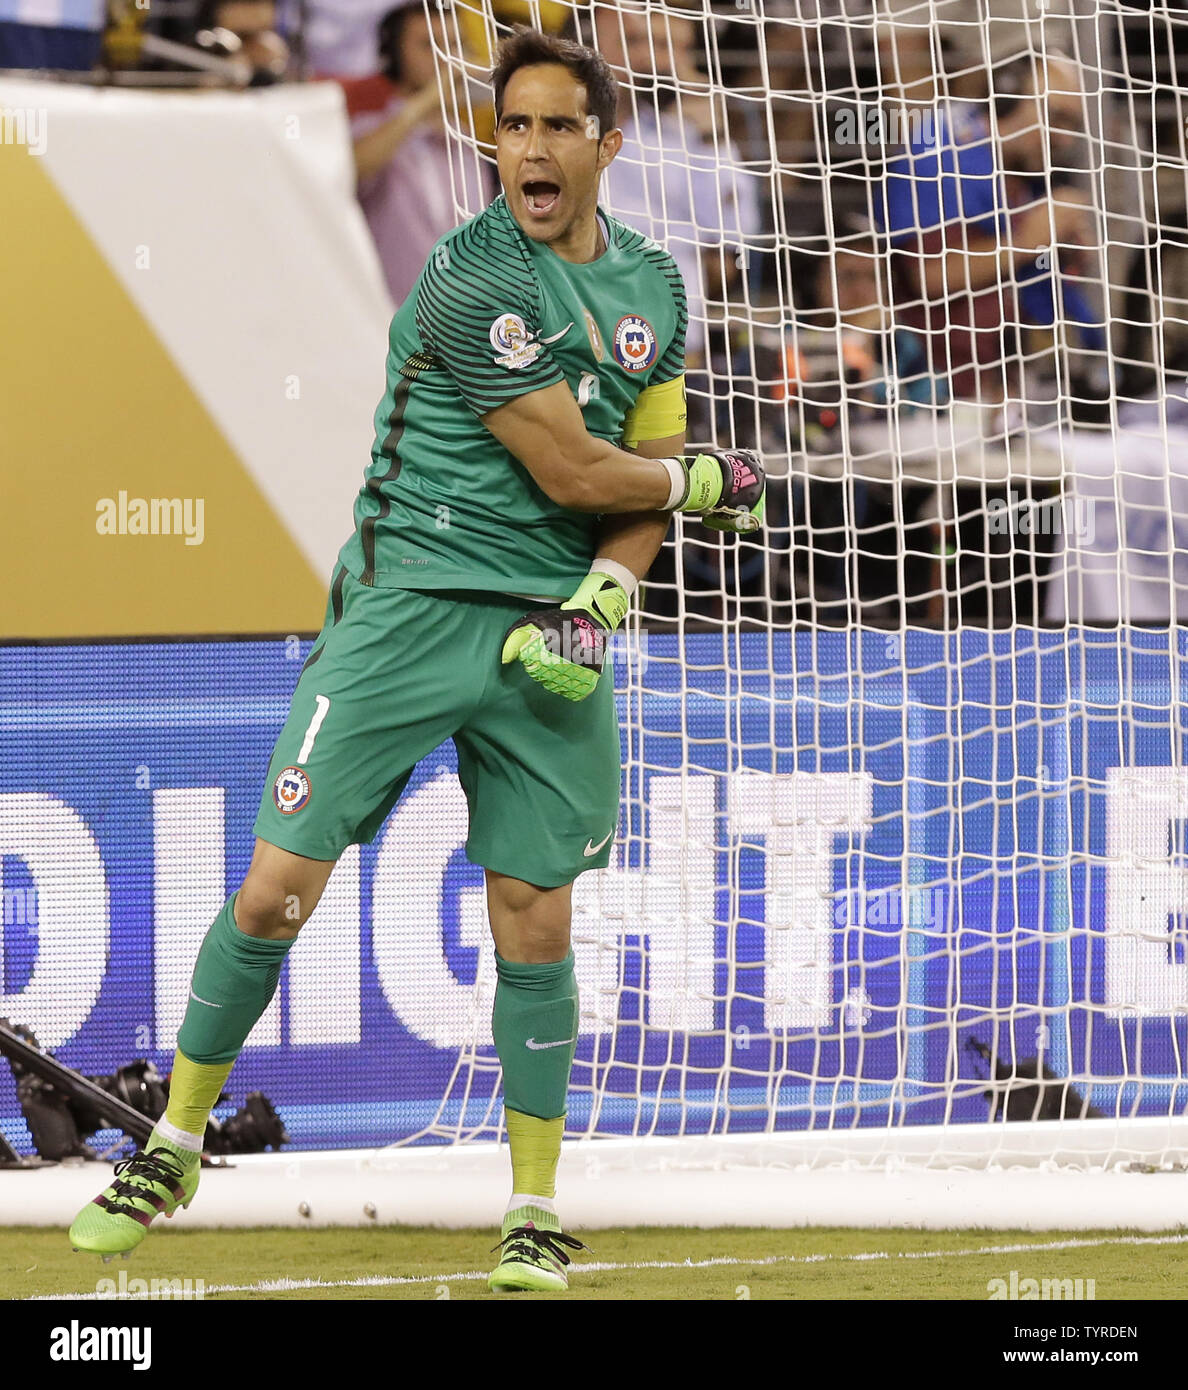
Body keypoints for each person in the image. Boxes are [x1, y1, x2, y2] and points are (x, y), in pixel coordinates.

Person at [67, 25, 764, 1295]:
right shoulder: (467, 276)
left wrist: (606, 598)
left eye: (560, 126)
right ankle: (170, 1144)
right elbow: (578, 467)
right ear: (490, 142)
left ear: (609, 147)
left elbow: (630, 501)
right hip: (408, 610)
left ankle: (535, 1208)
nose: (533, 149)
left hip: (543, 632)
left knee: (535, 924)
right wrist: (709, 477)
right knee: (278, 890)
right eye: (515, 126)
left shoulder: (656, 290)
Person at [878, 52, 1101, 405]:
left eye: (1073, 124)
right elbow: (931, 277)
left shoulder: (1037, 176)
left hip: (1031, 380)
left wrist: (1068, 255)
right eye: (1055, 118)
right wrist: (1027, 241)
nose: (1065, 139)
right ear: (1006, 100)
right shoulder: (939, 151)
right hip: (943, 389)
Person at [344, 4, 485, 306]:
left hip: (466, 325)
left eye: (456, 46)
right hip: (389, 321)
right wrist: (427, 101)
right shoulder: (369, 130)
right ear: (395, 56)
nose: (448, 59)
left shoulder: (468, 140)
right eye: (430, 46)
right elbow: (352, 169)